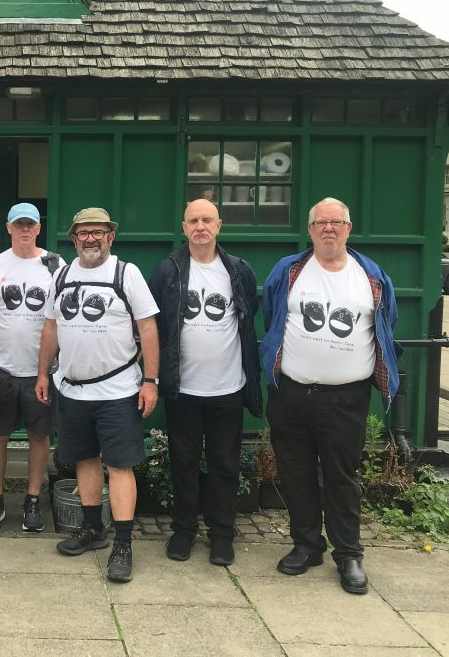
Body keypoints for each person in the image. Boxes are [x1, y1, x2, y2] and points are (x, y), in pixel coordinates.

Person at [261, 197, 401, 595]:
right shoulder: (289, 271)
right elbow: (271, 315)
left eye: (336, 222)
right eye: (321, 222)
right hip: (291, 393)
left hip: (346, 399)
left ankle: (349, 554)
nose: (328, 228)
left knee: (341, 475)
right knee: (296, 472)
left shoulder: (369, 275)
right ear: (310, 230)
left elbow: (386, 323)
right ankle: (306, 545)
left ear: (348, 228)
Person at [36, 207, 159, 583]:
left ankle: (122, 544)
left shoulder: (127, 273)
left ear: (110, 237)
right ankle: (93, 530)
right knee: (85, 460)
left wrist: (150, 380)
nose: (91, 238)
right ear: (73, 239)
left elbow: (149, 329)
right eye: (83, 233)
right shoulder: (61, 275)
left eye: (99, 232)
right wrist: (43, 373)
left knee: (120, 465)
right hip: (72, 389)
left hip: (118, 390)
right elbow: (51, 328)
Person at [148, 199, 262, 567]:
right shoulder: (168, 271)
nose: (200, 226)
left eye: (207, 220)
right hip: (183, 388)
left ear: (219, 225)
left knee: (224, 464)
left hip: (228, 387)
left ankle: (222, 536)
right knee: (182, 463)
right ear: (183, 227)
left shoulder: (239, 271)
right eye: (193, 220)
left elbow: (248, 317)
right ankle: (183, 532)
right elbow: (155, 325)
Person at [0, 202, 60, 533]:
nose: (25, 230)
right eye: (19, 224)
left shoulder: (54, 265)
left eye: (31, 225)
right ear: (8, 227)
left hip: (41, 369)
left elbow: (63, 317)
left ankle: (33, 500)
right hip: (1, 369)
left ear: (38, 228)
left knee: (39, 436)